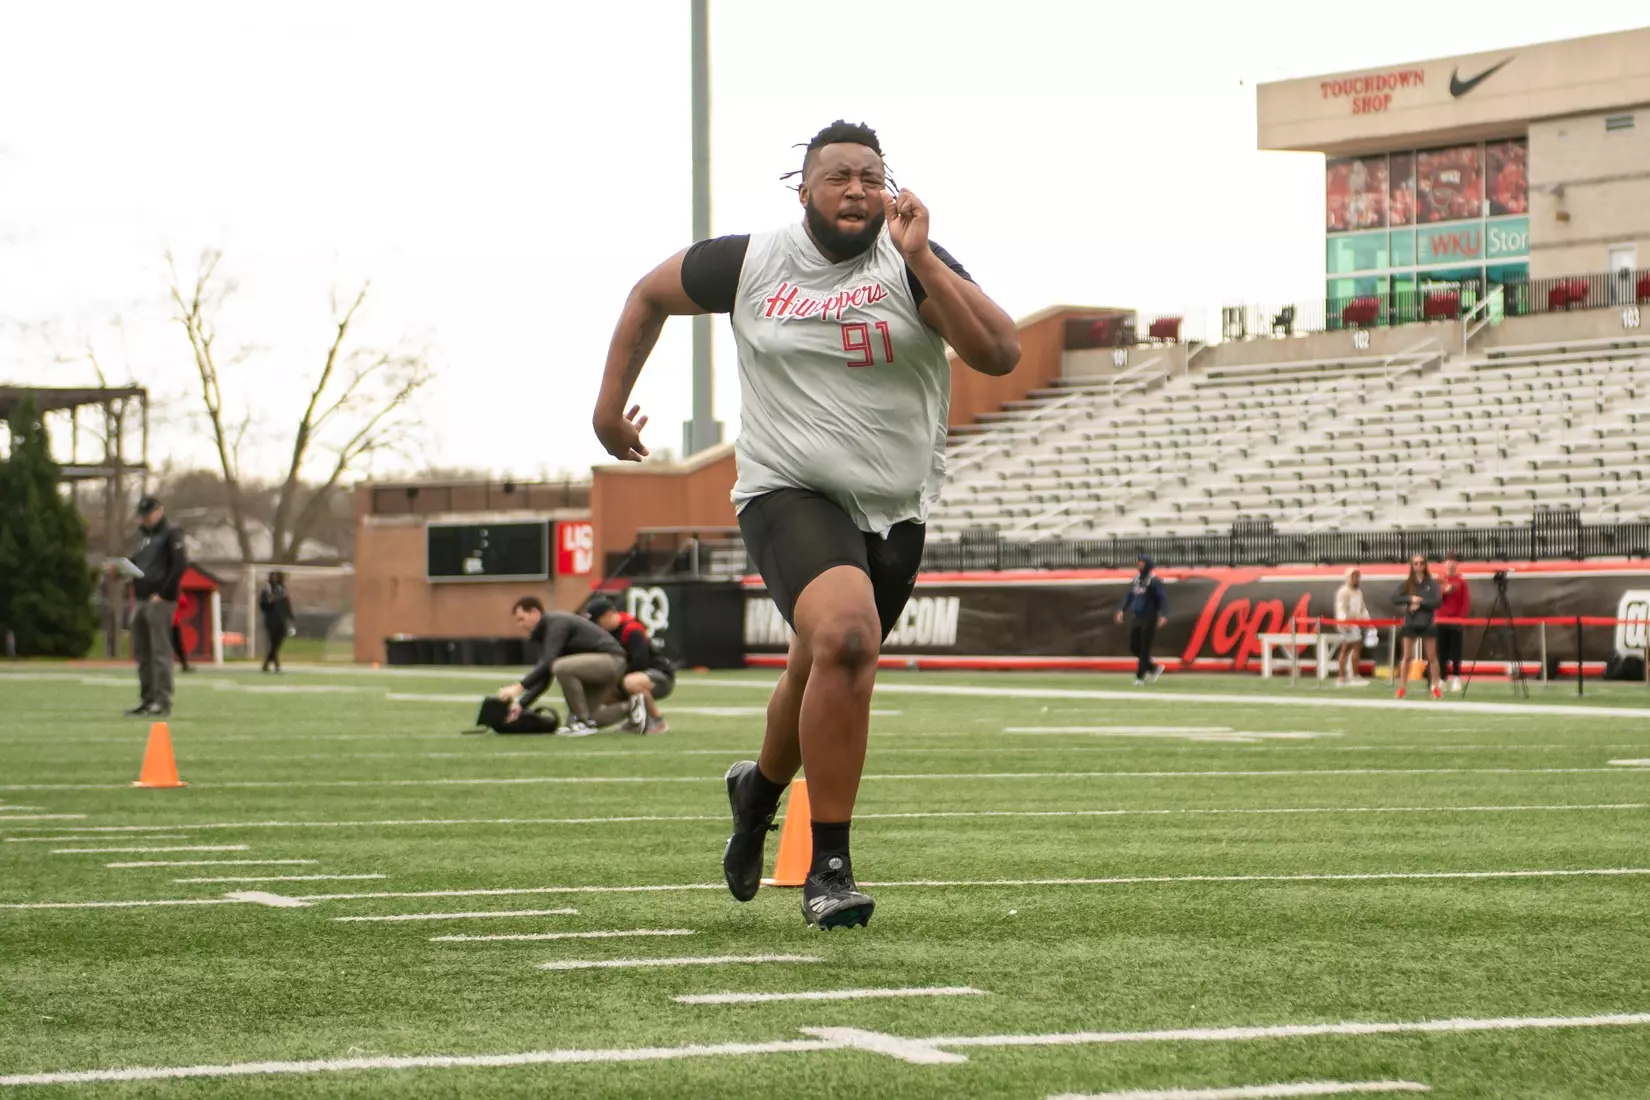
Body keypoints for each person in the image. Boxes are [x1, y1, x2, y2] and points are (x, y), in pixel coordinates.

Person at [590, 120, 1019, 929]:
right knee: (848, 638)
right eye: (837, 177)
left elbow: (999, 354)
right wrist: (609, 410)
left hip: (892, 507)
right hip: (786, 490)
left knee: (817, 666)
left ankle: (756, 792)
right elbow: (647, 294)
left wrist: (924, 259)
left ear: (889, 189)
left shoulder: (911, 260)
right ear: (803, 191)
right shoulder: (753, 260)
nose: (856, 189)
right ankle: (831, 866)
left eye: (871, 177)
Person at [498, 596, 629, 737]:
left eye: (522, 619)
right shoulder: (546, 632)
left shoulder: (557, 622)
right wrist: (521, 705)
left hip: (612, 661)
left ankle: (582, 722)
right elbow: (545, 677)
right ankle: (633, 707)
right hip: (599, 666)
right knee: (581, 720)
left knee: (561, 667)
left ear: (535, 613)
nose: (520, 625)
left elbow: (548, 661)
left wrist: (519, 687)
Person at [122, 495, 186, 717]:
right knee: (142, 652)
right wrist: (121, 569)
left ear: (159, 510)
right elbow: (139, 562)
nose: (145, 519)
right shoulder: (144, 536)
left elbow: (179, 566)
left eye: (148, 514)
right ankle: (147, 698)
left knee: (159, 651)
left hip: (159, 600)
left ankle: (162, 699)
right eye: (142, 515)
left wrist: (164, 593)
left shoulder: (171, 533)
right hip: (141, 598)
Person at [586, 595, 673, 735]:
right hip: (632, 676)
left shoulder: (632, 629)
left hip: (659, 676)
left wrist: (618, 680)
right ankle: (636, 720)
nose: (597, 627)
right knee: (604, 691)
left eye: (598, 622)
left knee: (631, 682)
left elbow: (640, 662)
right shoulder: (609, 633)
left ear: (608, 615)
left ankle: (658, 722)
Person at [1393, 554, 1443, 700]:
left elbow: (1437, 602)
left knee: (1432, 656)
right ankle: (1402, 688)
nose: (1419, 566)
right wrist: (1410, 599)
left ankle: (1436, 687)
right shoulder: (1408, 583)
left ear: (1425, 565)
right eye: (1415, 563)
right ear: (1412, 565)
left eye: (1421, 563)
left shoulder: (1432, 584)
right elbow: (1395, 598)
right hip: (1411, 622)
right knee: (1406, 656)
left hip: (1427, 622)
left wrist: (1420, 603)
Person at [1114, 556, 1169, 685]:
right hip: (1137, 617)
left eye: (1142, 563)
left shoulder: (1155, 581)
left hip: (1149, 617)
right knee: (1134, 646)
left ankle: (1140, 677)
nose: (1139, 565)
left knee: (1145, 648)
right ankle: (1153, 668)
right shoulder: (1136, 580)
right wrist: (1121, 609)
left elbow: (1162, 598)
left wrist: (1162, 614)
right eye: (1139, 563)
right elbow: (1129, 596)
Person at [1436, 552, 1471, 692]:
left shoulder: (1462, 582)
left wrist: (1460, 618)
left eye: (1453, 561)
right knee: (1441, 651)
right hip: (1441, 620)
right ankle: (1442, 678)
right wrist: (1443, 591)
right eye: (1448, 561)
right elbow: (1434, 600)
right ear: (1444, 564)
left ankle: (1456, 678)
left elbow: (1465, 602)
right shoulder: (1439, 580)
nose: (1450, 564)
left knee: (1456, 651)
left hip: (1456, 620)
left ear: (1457, 564)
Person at [1333, 567, 1371, 686]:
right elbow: (1341, 609)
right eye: (1354, 577)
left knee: (1347, 649)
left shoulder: (1359, 592)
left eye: (1357, 577)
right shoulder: (1343, 592)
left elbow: (1362, 608)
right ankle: (1352, 676)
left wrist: (1367, 620)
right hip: (1347, 623)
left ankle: (1343, 677)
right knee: (1354, 647)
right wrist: (1345, 623)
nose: (1356, 579)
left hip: (1355, 623)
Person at [258, 571, 294, 673]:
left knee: (277, 642)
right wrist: (271, 601)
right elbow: (263, 605)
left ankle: (267, 663)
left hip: (281, 620)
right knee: (273, 642)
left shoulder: (282, 590)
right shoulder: (267, 590)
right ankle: (276, 665)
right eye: (273, 577)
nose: (275, 579)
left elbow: (287, 605)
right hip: (271, 620)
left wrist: (290, 617)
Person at [170, 590, 195, 674]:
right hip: (166, 622)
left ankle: (184, 664)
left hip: (173, 623)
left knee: (177, 645)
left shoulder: (175, 592)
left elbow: (183, 603)